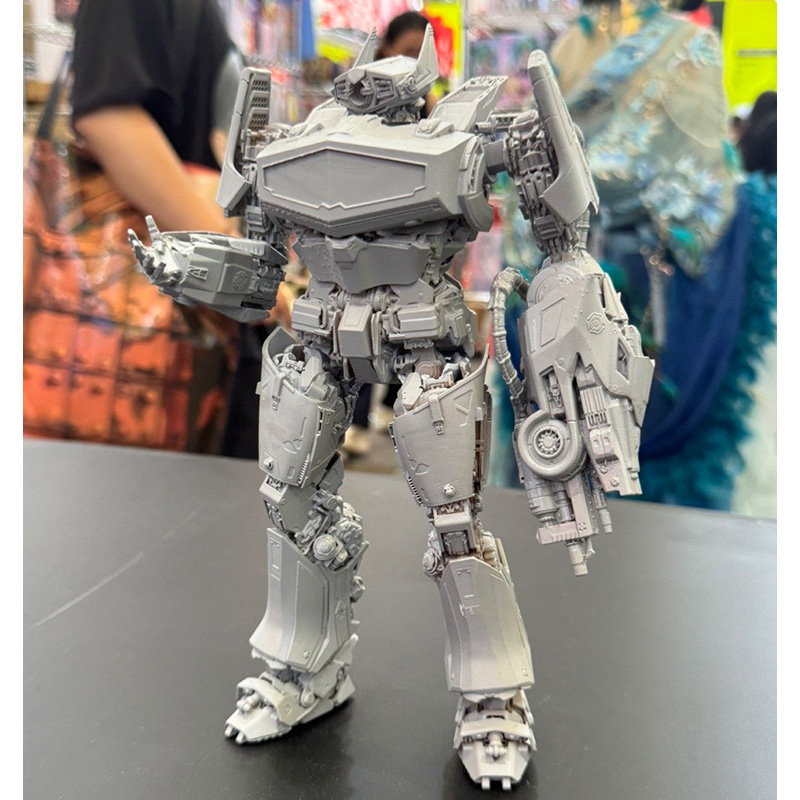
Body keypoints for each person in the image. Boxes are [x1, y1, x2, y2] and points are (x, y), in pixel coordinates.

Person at [492, 0, 776, 511]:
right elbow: (708, 189)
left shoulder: (675, 45)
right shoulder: (576, 44)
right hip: (594, 272)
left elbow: (699, 183)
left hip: (628, 280)